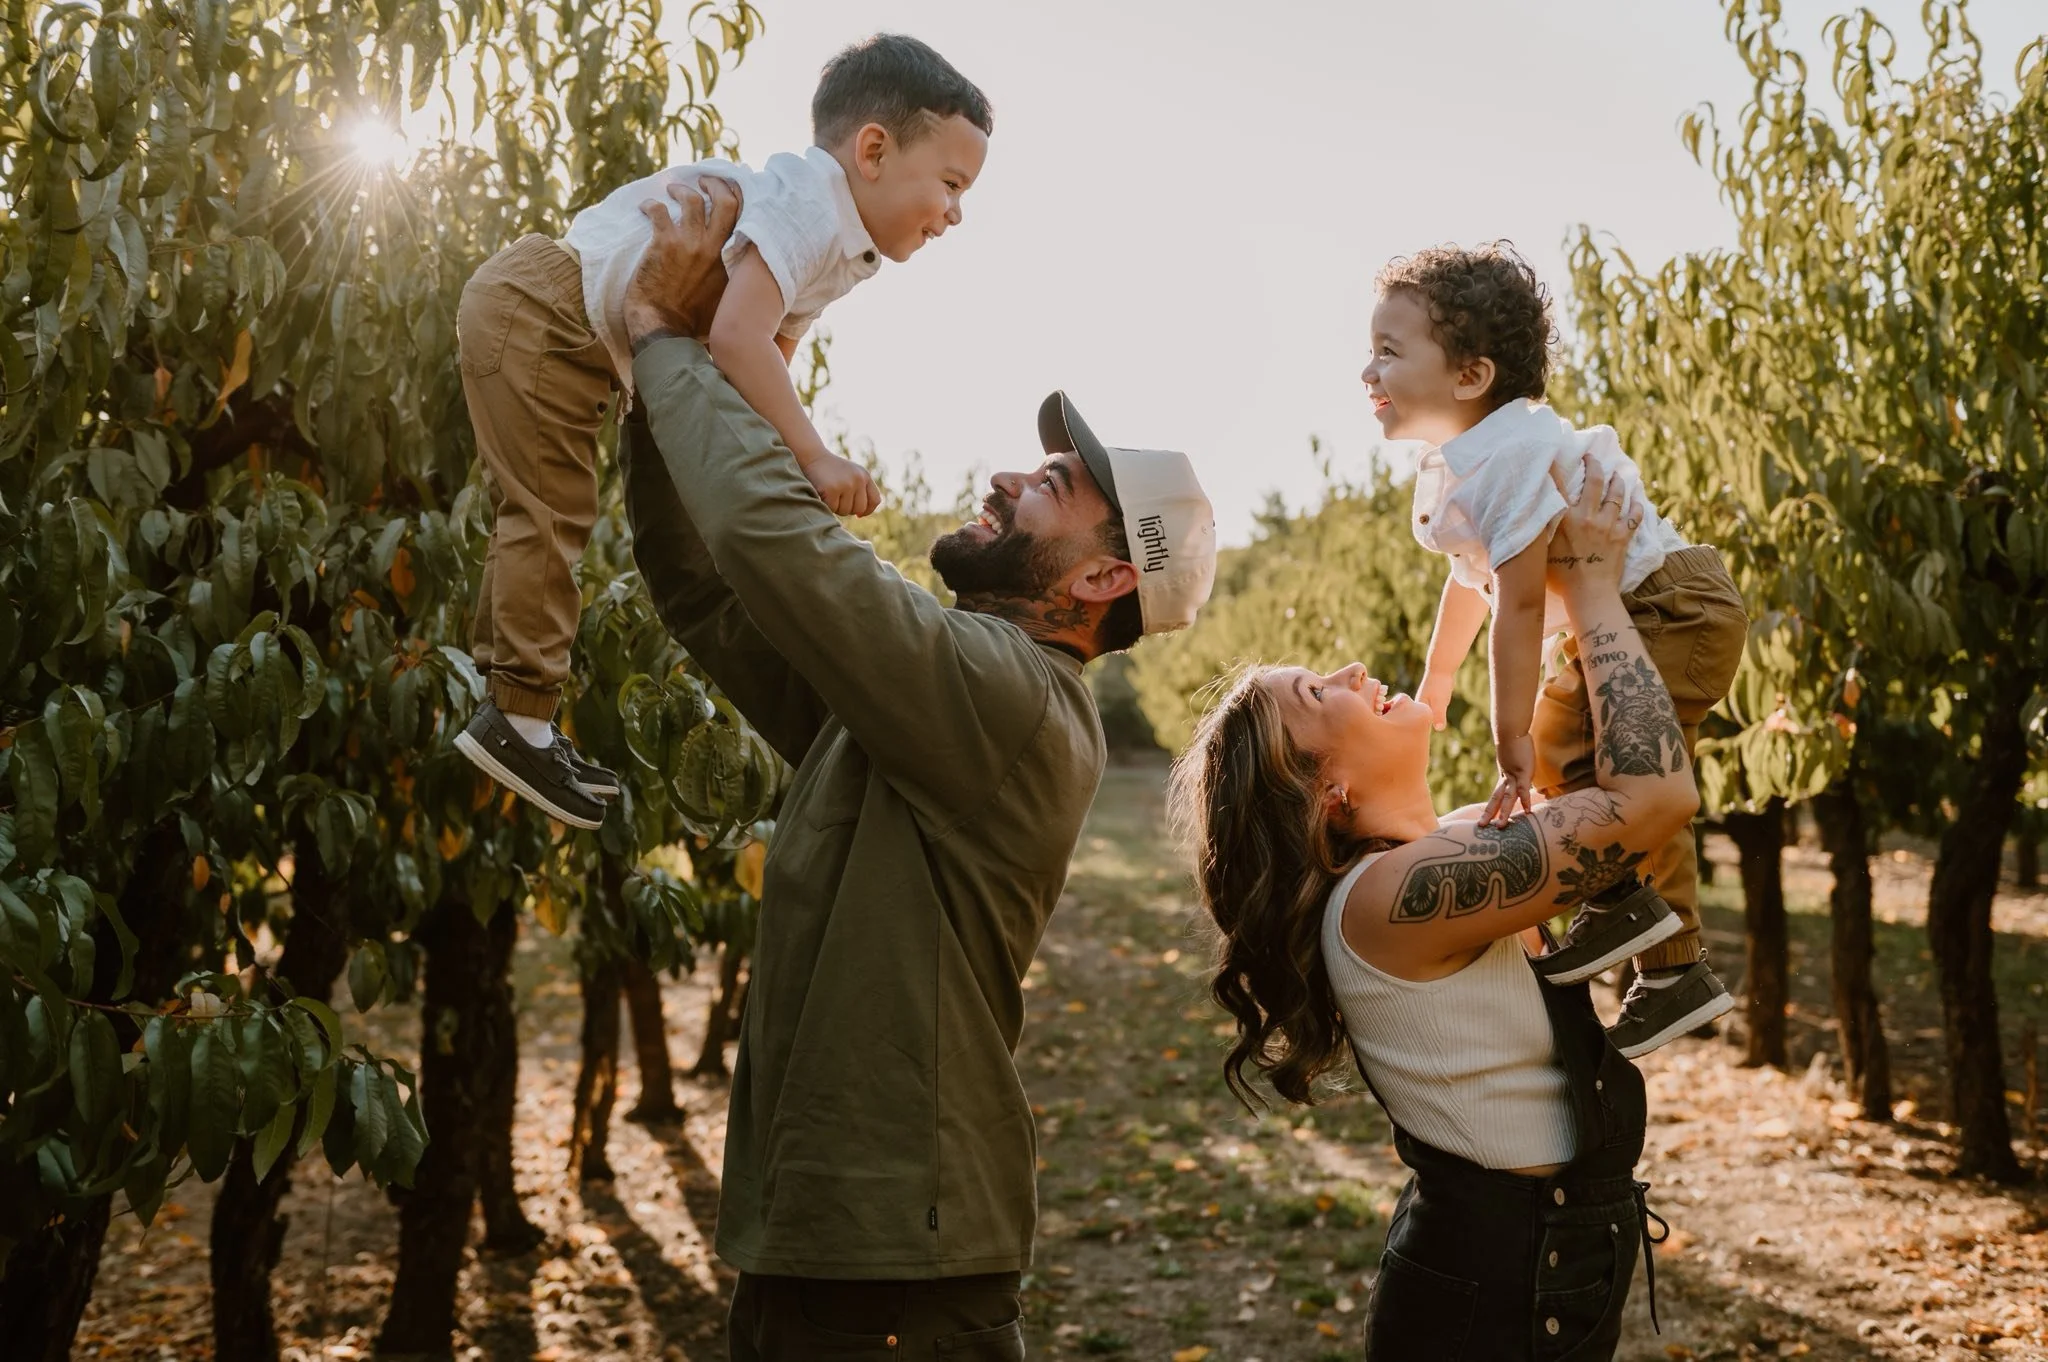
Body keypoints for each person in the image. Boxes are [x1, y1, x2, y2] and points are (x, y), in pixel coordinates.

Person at [614, 176, 1218, 1360]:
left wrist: (660, 340)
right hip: (843, 1234)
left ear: (1102, 580)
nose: (1005, 476)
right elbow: (709, 590)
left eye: (1052, 488)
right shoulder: (926, 703)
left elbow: (777, 544)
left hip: (898, 1259)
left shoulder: (1001, 700)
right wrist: (654, 392)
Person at [1173, 464, 1686, 1359]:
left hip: (1537, 1265)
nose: (1354, 669)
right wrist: (1596, 586)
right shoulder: (1392, 899)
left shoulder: (1445, 848)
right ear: (1323, 789)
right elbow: (1653, 801)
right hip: (1493, 1294)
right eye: (1318, 692)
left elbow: (1614, 761)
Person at [452, 34, 993, 828]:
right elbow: (738, 339)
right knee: (549, 509)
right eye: (950, 184)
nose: (955, 214)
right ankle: (518, 714)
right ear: (873, 149)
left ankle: (518, 703)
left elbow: (768, 352)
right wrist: (812, 454)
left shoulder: (845, 246)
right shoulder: (808, 205)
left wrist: (778, 462)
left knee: (625, 528)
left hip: (592, 344)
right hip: (542, 310)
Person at [1362, 242, 1746, 1056]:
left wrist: (1507, 737)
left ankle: (1653, 941)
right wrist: (1436, 680)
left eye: (1390, 352)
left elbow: (1523, 600)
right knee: (1577, 764)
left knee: (1603, 764)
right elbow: (1474, 582)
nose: (1369, 371)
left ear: (1470, 377)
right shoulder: (1461, 463)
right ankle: (1658, 949)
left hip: (1671, 607)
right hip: (1633, 612)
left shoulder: (1514, 452)